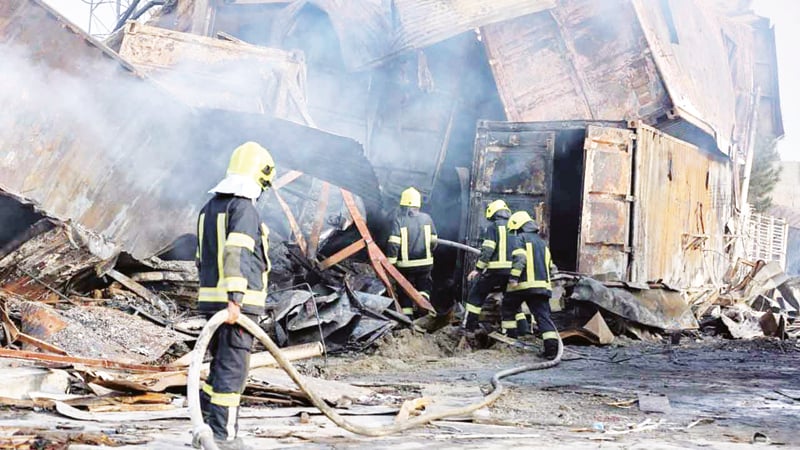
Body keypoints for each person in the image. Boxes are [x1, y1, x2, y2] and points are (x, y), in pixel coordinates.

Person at [195, 142, 274, 448]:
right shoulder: (244, 208)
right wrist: (235, 299)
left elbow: (203, 257)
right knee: (232, 369)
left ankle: (205, 427)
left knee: (219, 366)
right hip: (236, 306)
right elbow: (237, 253)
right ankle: (223, 437)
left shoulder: (209, 208)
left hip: (212, 300)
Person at [464, 199, 530, 334]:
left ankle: (470, 327)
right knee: (513, 303)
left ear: (493, 213)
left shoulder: (493, 227)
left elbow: (488, 249)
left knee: (476, 295)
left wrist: (478, 270)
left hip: (495, 271)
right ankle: (523, 332)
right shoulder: (515, 228)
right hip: (512, 273)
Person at [503, 210, 559, 360]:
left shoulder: (520, 238)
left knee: (508, 306)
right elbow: (551, 267)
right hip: (543, 287)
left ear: (518, 226)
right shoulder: (542, 242)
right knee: (543, 316)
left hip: (524, 285)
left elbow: (520, 259)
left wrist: (514, 278)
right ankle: (551, 350)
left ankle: (509, 339)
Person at [386, 187, 438, 319]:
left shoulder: (400, 220)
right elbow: (434, 241)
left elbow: (394, 243)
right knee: (424, 288)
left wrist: (390, 264)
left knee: (405, 291)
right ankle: (424, 314)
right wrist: (428, 253)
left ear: (404, 205)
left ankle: (407, 318)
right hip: (425, 264)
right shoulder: (427, 218)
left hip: (405, 266)